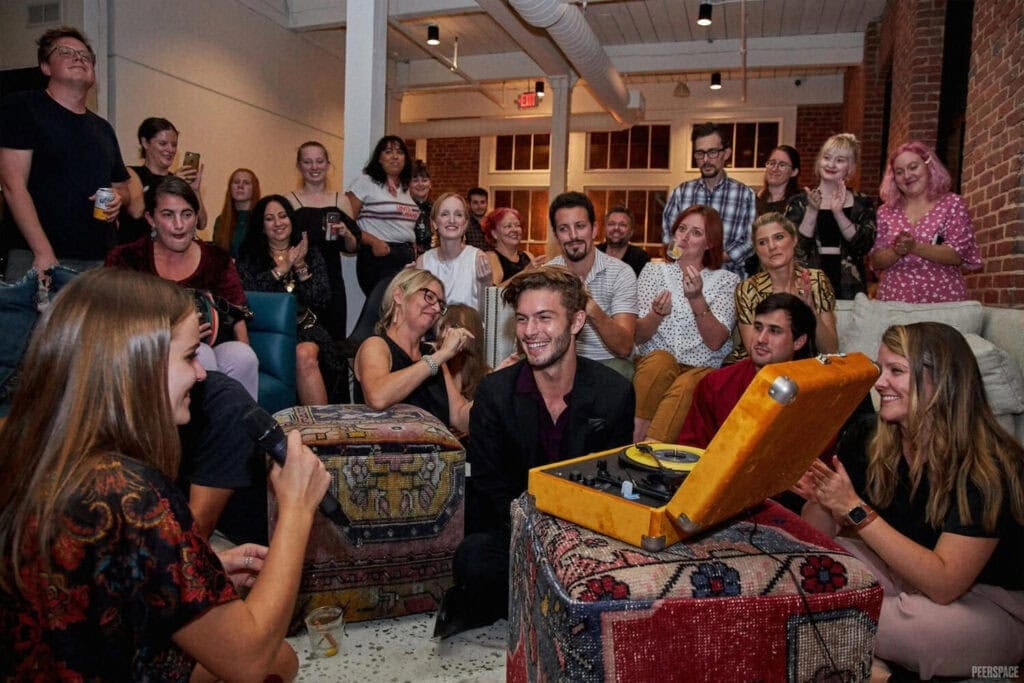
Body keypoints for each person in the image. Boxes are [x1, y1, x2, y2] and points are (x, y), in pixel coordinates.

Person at [0, 267, 330, 679]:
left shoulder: (30, 444)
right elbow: (251, 660)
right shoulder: (127, 489)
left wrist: (180, 574)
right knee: (278, 661)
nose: (201, 373)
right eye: (190, 355)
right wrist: (297, 509)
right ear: (136, 363)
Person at [797, 322, 1024, 679]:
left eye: (896, 371)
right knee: (805, 570)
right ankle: (869, 656)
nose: (879, 382)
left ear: (941, 381)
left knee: (923, 630)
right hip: (898, 576)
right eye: (881, 368)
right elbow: (816, 534)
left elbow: (945, 584)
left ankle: (863, 654)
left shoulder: (990, 466)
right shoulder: (866, 436)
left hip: (988, 603)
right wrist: (822, 498)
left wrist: (854, 509)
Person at [437, 266, 635, 637]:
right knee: (474, 559)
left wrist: (573, 543)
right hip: (517, 530)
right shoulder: (495, 394)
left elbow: (612, 484)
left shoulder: (614, 392)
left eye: (545, 318)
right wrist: (539, 538)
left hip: (585, 533)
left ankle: (549, 599)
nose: (530, 332)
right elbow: (491, 487)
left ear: (576, 322)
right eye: (524, 319)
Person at [106, 176, 259, 401]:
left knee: (243, 356)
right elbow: (112, 321)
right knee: (199, 355)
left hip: (214, 342)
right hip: (149, 349)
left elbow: (238, 312)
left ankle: (242, 432)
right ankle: (196, 432)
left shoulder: (216, 258)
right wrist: (177, 332)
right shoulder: (127, 258)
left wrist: (244, 344)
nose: (179, 225)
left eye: (186, 214)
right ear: (151, 218)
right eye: (168, 215)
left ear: (196, 217)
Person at [0, 27, 129, 280]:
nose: (79, 57)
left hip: (97, 261)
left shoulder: (102, 128)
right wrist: (43, 251)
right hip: (37, 257)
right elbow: (12, 184)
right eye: (66, 52)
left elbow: (124, 186)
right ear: (46, 66)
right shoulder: (23, 107)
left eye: (85, 55)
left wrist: (118, 197)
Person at [632, 205, 739, 442]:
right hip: (655, 362)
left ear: (710, 243)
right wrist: (656, 315)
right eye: (682, 229)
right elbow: (637, 336)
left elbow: (715, 342)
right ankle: (632, 443)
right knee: (660, 362)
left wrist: (696, 298)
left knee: (688, 382)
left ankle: (650, 452)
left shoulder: (726, 281)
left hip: (700, 367)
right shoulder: (653, 271)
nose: (685, 237)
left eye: (696, 232)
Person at [237, 195, 344, 405]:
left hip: (306, 329)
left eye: (282, 216)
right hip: (265, 334)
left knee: (304, 353)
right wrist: (282, 269)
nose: (278, 223)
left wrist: (301, 266)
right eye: (269, 218)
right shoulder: (250, 256)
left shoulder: (310, 253)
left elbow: (322, 300)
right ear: (261, 226)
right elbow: (249, 298)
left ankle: (320, 429)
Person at [677, 293, 815, 449]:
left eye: (774, 331)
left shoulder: (814, 392)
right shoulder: (715, 385)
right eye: (758, 328)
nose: (761, 339)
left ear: (798, 342)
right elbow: (689, 452)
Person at [353, 268, 474, 434]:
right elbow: (377, 397)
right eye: (429, 297)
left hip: (434, 456)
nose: (437, 309)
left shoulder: (432, 354)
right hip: (387, 455)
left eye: (440, 304)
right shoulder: (376, 345)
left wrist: (496, 383)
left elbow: (461, 419)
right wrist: (440, 356)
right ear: (399, 295)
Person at [870, 141, 982, 303]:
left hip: (943, 302)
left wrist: (914, 247)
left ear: (929, 166)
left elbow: (957, 254)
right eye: (899, 172)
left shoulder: (952, 203)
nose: (907, 176)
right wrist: (896, 251)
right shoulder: (885, 212)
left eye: (913, 167)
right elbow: (876, 260)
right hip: (894, 302)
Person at [547, 191, 638, 379]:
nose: (573, 235)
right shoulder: (547, 275)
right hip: (558, 362)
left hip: (608, 363)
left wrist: (588, 305)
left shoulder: (621, 272)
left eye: (580, 226)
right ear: (556, 235)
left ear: (594, 229)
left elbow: (624, 347)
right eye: (564, 229)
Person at [727, 212, 837, 364]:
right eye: (762, 242)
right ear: (757, 251)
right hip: (759, 371)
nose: (772, 247)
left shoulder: (816, 280)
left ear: (794, 239)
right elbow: (756, 353)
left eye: (778, 237)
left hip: (808, 368)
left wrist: (810, 307)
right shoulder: (747, 289)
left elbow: (831, 350)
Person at [785, 133, 876, 299]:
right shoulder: (798, 202)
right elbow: (795, 250)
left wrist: (838, 212)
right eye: (827, 158)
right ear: (820, 161)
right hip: (807, 287)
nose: (831, 164)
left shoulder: (862, 202)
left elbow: (864, 246)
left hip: (850, 288)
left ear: (851, 167)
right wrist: (812, 211)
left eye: (840, 160)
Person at [662, 122, 757, 278]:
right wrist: (687, 259)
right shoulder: (681, 192)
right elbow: (668, 237)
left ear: (726, 153)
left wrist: (707, 260)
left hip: (729, 282)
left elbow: (748, 243)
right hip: (683, 281)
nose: (705, 159)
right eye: (700, 153)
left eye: (712, 152)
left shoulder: (745, 195)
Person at [287, 141, 360, 339]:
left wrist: (347, 234)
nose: (314, 167)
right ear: (299, 166)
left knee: (334, 338)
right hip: (301, 279)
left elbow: (352, 248)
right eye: (308, 162)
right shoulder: (289, 201)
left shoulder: (341, 201)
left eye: (319, 161)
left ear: (328, 164)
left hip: (332, 280)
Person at [346, 135, 418, 296]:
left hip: (405, 257)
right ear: (379, 158)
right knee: (382, 309)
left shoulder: (405, 188)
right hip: (378, 256)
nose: (394, 156)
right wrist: (373, 242)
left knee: (400, 314)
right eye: (388, 151)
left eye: (400, 152)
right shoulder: (366, 182)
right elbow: (346, 222)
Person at [121, 117, 206, 245]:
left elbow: (201, 223)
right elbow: (136, 211)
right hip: (138, 253)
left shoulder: (177, 179)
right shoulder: (132, 173)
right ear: (145, 143)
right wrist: (169, 182)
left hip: (169, 255)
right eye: (163, 144)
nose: (170, 150)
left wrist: (195, 191)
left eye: (174, 145)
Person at [415, 192, 492, 310]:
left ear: (465, 223)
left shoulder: (478, 258)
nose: (452, 220)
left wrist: (484, 284)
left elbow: (486, 316)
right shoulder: (423, 262)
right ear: (434, 223)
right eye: (445, 214)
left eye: (458, 215)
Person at [435, 303, 489, 402]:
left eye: (454, 327)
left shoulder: (487, 377)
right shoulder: (433, 373)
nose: (443, 335)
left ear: (473, 332)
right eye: (442, 328)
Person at [483, 207, 544, 286]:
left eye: (517, 225)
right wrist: (524, 274)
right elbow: (492, 294)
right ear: (494, 234)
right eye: (508, 226)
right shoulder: (491, 257)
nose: (515, 229)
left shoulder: (528, 256)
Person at [212, 168, 261, 259]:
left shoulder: (262, 220)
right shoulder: (221, 220)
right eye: (236, 182)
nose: (240, 186)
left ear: (254, 189)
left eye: (246, 183)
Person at [597, 205, 651, 277]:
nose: (616, 228)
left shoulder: (640, 258)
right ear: (605, 229)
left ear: (631, 232)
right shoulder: (594, 253)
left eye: (622, 225)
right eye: (611, 224)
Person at [756, 145, 801, 216]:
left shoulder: (799, 203)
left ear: (794, 172)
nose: (774, 169)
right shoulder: (754, 200)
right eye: (772, 163)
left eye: (782, 165)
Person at [410, 159, 434, 254]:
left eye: (424, 180)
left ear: (430, 184)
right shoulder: (403, 209)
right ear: (409, 184)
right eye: (415, 180)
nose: (420, 184)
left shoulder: (437, 209)